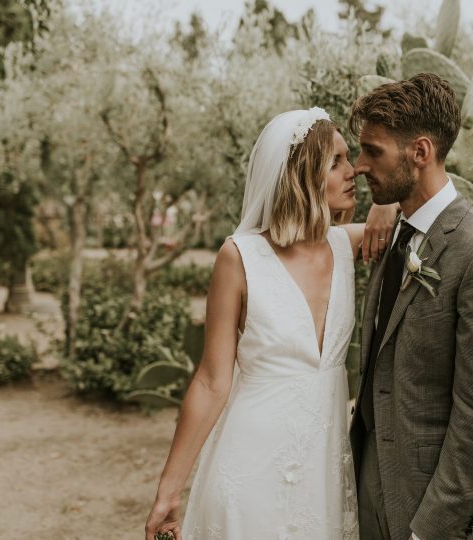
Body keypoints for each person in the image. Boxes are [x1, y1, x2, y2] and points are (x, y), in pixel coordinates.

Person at [144, 107, 396, 540]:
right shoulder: (239, 257)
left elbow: (420, 207)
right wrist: (169, 490)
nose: (352, 169)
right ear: (302, 177)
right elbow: (210, 380)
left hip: (324, 475)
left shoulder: (345, 244)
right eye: (334, 162)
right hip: (249, 469)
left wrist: (388, 202)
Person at [348, 73, 473, 540]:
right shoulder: (395, 236)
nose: (359, 165)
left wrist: (429, 529)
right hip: (370, 485)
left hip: (429, 510)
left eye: (373, 151)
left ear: (420, 153)